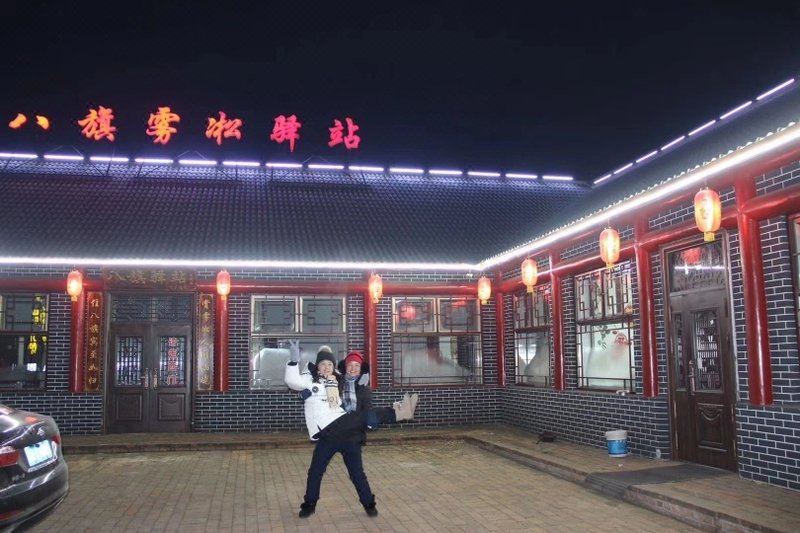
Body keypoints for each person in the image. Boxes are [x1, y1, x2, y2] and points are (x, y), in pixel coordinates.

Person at [284, 343, 418, 518]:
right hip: (330, 433)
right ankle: (309, 504)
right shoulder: (323, 380)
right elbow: (295, 382)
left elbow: (365, 406)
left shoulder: (351, 384)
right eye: (323, 364)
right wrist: (294, 364)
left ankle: (369, 503)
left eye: (329, 364)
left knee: (357, 473)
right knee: (315, 471)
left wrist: (362, 386)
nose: (326, 367)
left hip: (351, 435)